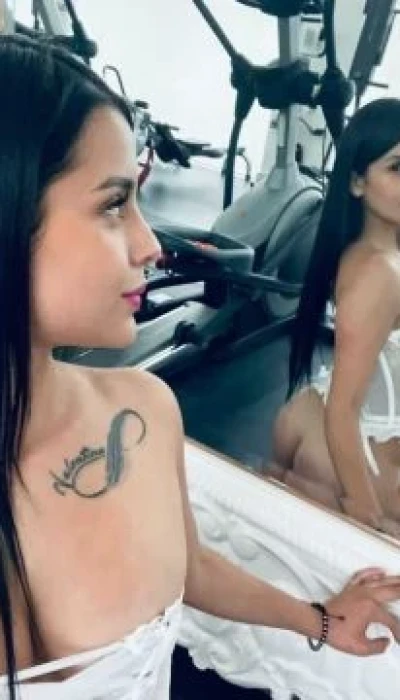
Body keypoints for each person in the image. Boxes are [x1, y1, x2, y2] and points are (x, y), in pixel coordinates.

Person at [0, 34, 400, 700]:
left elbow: (189, 568)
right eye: (113, 204)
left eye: (139, 200)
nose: (150, 243)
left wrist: (324, 621)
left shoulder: (144, 408)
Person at [269, 98, 400, 539]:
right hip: (354, 439)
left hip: (329, 412)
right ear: (358, 183)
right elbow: (343, 409)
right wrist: (365, 517)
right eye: (398, 168)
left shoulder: (380, 253)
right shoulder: (378, 273)